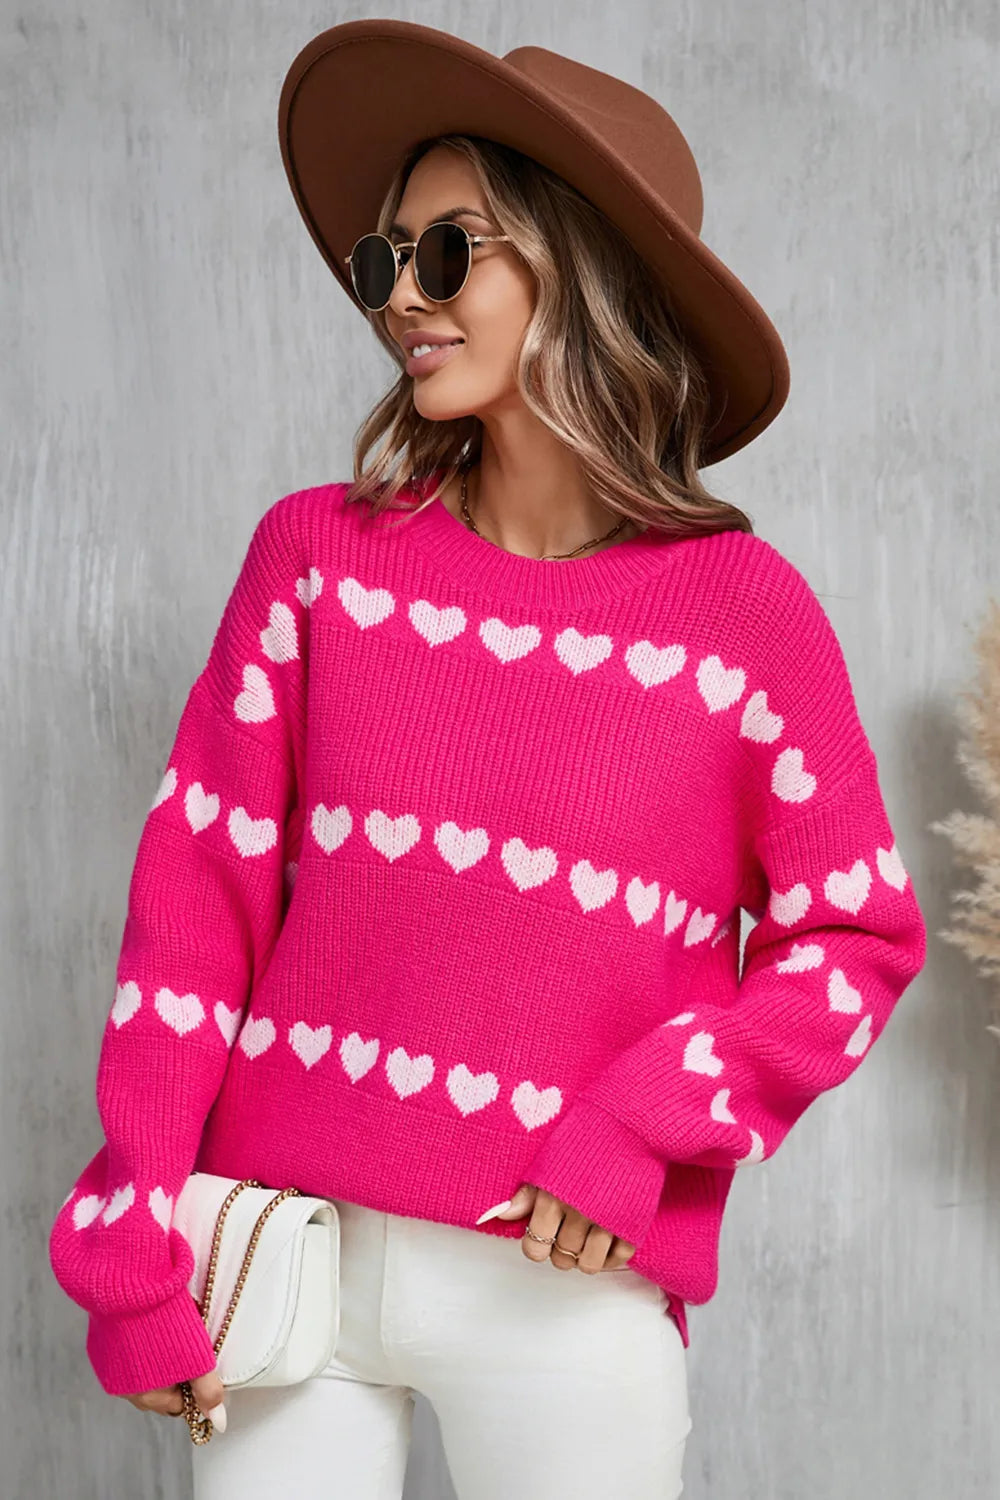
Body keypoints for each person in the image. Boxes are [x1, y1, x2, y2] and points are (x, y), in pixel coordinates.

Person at [48, 20, 928, 1500]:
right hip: (286, 1270)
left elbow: (857, 935)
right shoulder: (316, 563)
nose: (402, 295)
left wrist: (647, 1125)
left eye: (449, 253)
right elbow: (194, 910)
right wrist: (131, 1241)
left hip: (560, 1286)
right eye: (383, 259)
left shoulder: (744, 619)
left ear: (582, 273)